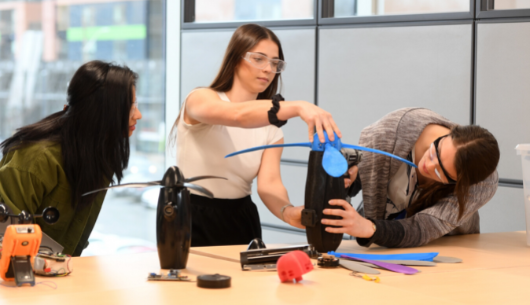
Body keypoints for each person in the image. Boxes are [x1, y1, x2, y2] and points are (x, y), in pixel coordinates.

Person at [171, 23, 342, 247]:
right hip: (191, 215)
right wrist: (299, 106)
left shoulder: (271, 130)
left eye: (274, 63)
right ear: (235, 58)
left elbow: (269, 184)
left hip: (241, 218)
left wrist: (288, 211)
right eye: (259, 59)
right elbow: (237, 115)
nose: (268, 69)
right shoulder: (200, 98)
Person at [0, 60, 142, 256]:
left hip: (59, 274)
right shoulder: (36, 158)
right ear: (102, 110)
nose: (139, 115)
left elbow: (74, 241)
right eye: (131, 106)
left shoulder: (98, 155)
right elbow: (7, 238)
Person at [321, 108, 500, 247]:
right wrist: (351, 180)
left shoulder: (482, 182)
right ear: (449, 134)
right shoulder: (392, 132)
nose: (428, 167)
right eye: (434, 152)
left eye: (440, 172)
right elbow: (368, 178)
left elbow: (424, 227)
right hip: (379, 244)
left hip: (449, 249)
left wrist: (370, 228)